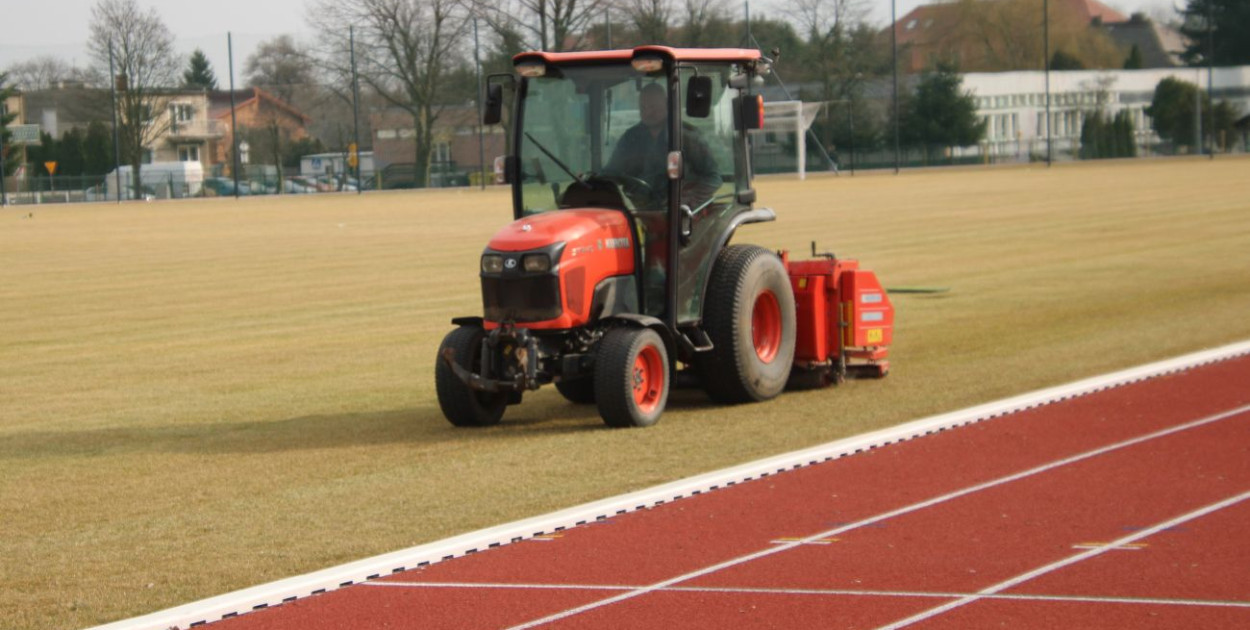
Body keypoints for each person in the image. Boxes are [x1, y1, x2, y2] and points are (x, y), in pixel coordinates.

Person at [604, 82, 722, 211]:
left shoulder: (687, 136)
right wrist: (595, 181)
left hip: (680, 216)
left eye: (653, 107)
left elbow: (713, 177)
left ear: (667, 104)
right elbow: (612, 173)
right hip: (640, 213)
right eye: (643, 107)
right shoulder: (630, 138)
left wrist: (686, 199)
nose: (648, 112)